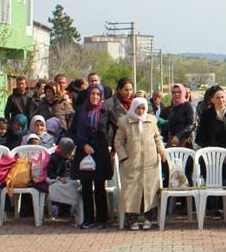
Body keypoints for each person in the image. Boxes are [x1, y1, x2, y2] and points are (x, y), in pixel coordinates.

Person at [114, 97, 168, 230]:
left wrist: (161, 151)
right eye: (138, 108)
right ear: (133, 107)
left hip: (150, 163)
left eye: (143, 108)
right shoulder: (124, 121)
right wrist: (124, 159)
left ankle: (149, 219)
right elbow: (118, 143)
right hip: (132, 163)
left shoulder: (151, 120)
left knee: (149, 191)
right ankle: (132, 221)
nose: (140, 111)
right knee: (132, 192)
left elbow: (157, 138)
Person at [70, 85, 114, 229]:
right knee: (87, 187)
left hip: (100, 153)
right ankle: (88, 219)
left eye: (97, 94)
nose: (95, 97)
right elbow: (72, 133)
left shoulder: (105, 111)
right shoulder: (80, 112)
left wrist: (113, 149)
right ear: (88, 95)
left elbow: (117, 129)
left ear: (101, 96)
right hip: (84, 153)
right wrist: (83, 145)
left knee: (100, 187)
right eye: (92, 94)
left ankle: (102, 219)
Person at [196, 86, 226, 152]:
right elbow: (202, 135)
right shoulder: (206, 114)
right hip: (210, 152)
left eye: (222, 97)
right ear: (212, 100)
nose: (221, 100)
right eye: (218, 98)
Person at [46, 138, 78, 220]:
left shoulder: (72, 158)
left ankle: (73, 206)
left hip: (69, 179)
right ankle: (55, 206)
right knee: (55, 187)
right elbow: (50, 173)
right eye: (69, 153)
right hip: (57, 179)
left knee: (74, 186)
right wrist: (58, 178)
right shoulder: (54, 158)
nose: (70, 155)